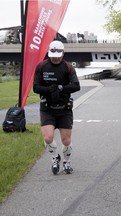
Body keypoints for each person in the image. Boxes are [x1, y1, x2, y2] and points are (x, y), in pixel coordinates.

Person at [33, 40, 80, 174]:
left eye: (58, 55)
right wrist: (49, 89)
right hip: (47, 108)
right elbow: (36, 88)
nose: (56, 58)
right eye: (53, 55)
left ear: (63, 53)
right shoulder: (41, 66)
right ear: (49, 53)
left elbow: (76, 86)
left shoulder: (68, 67)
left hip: (64, 108)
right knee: (48, 137)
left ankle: (66, 161)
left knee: (66, 140)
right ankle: (55, 158)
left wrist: (61, 88)